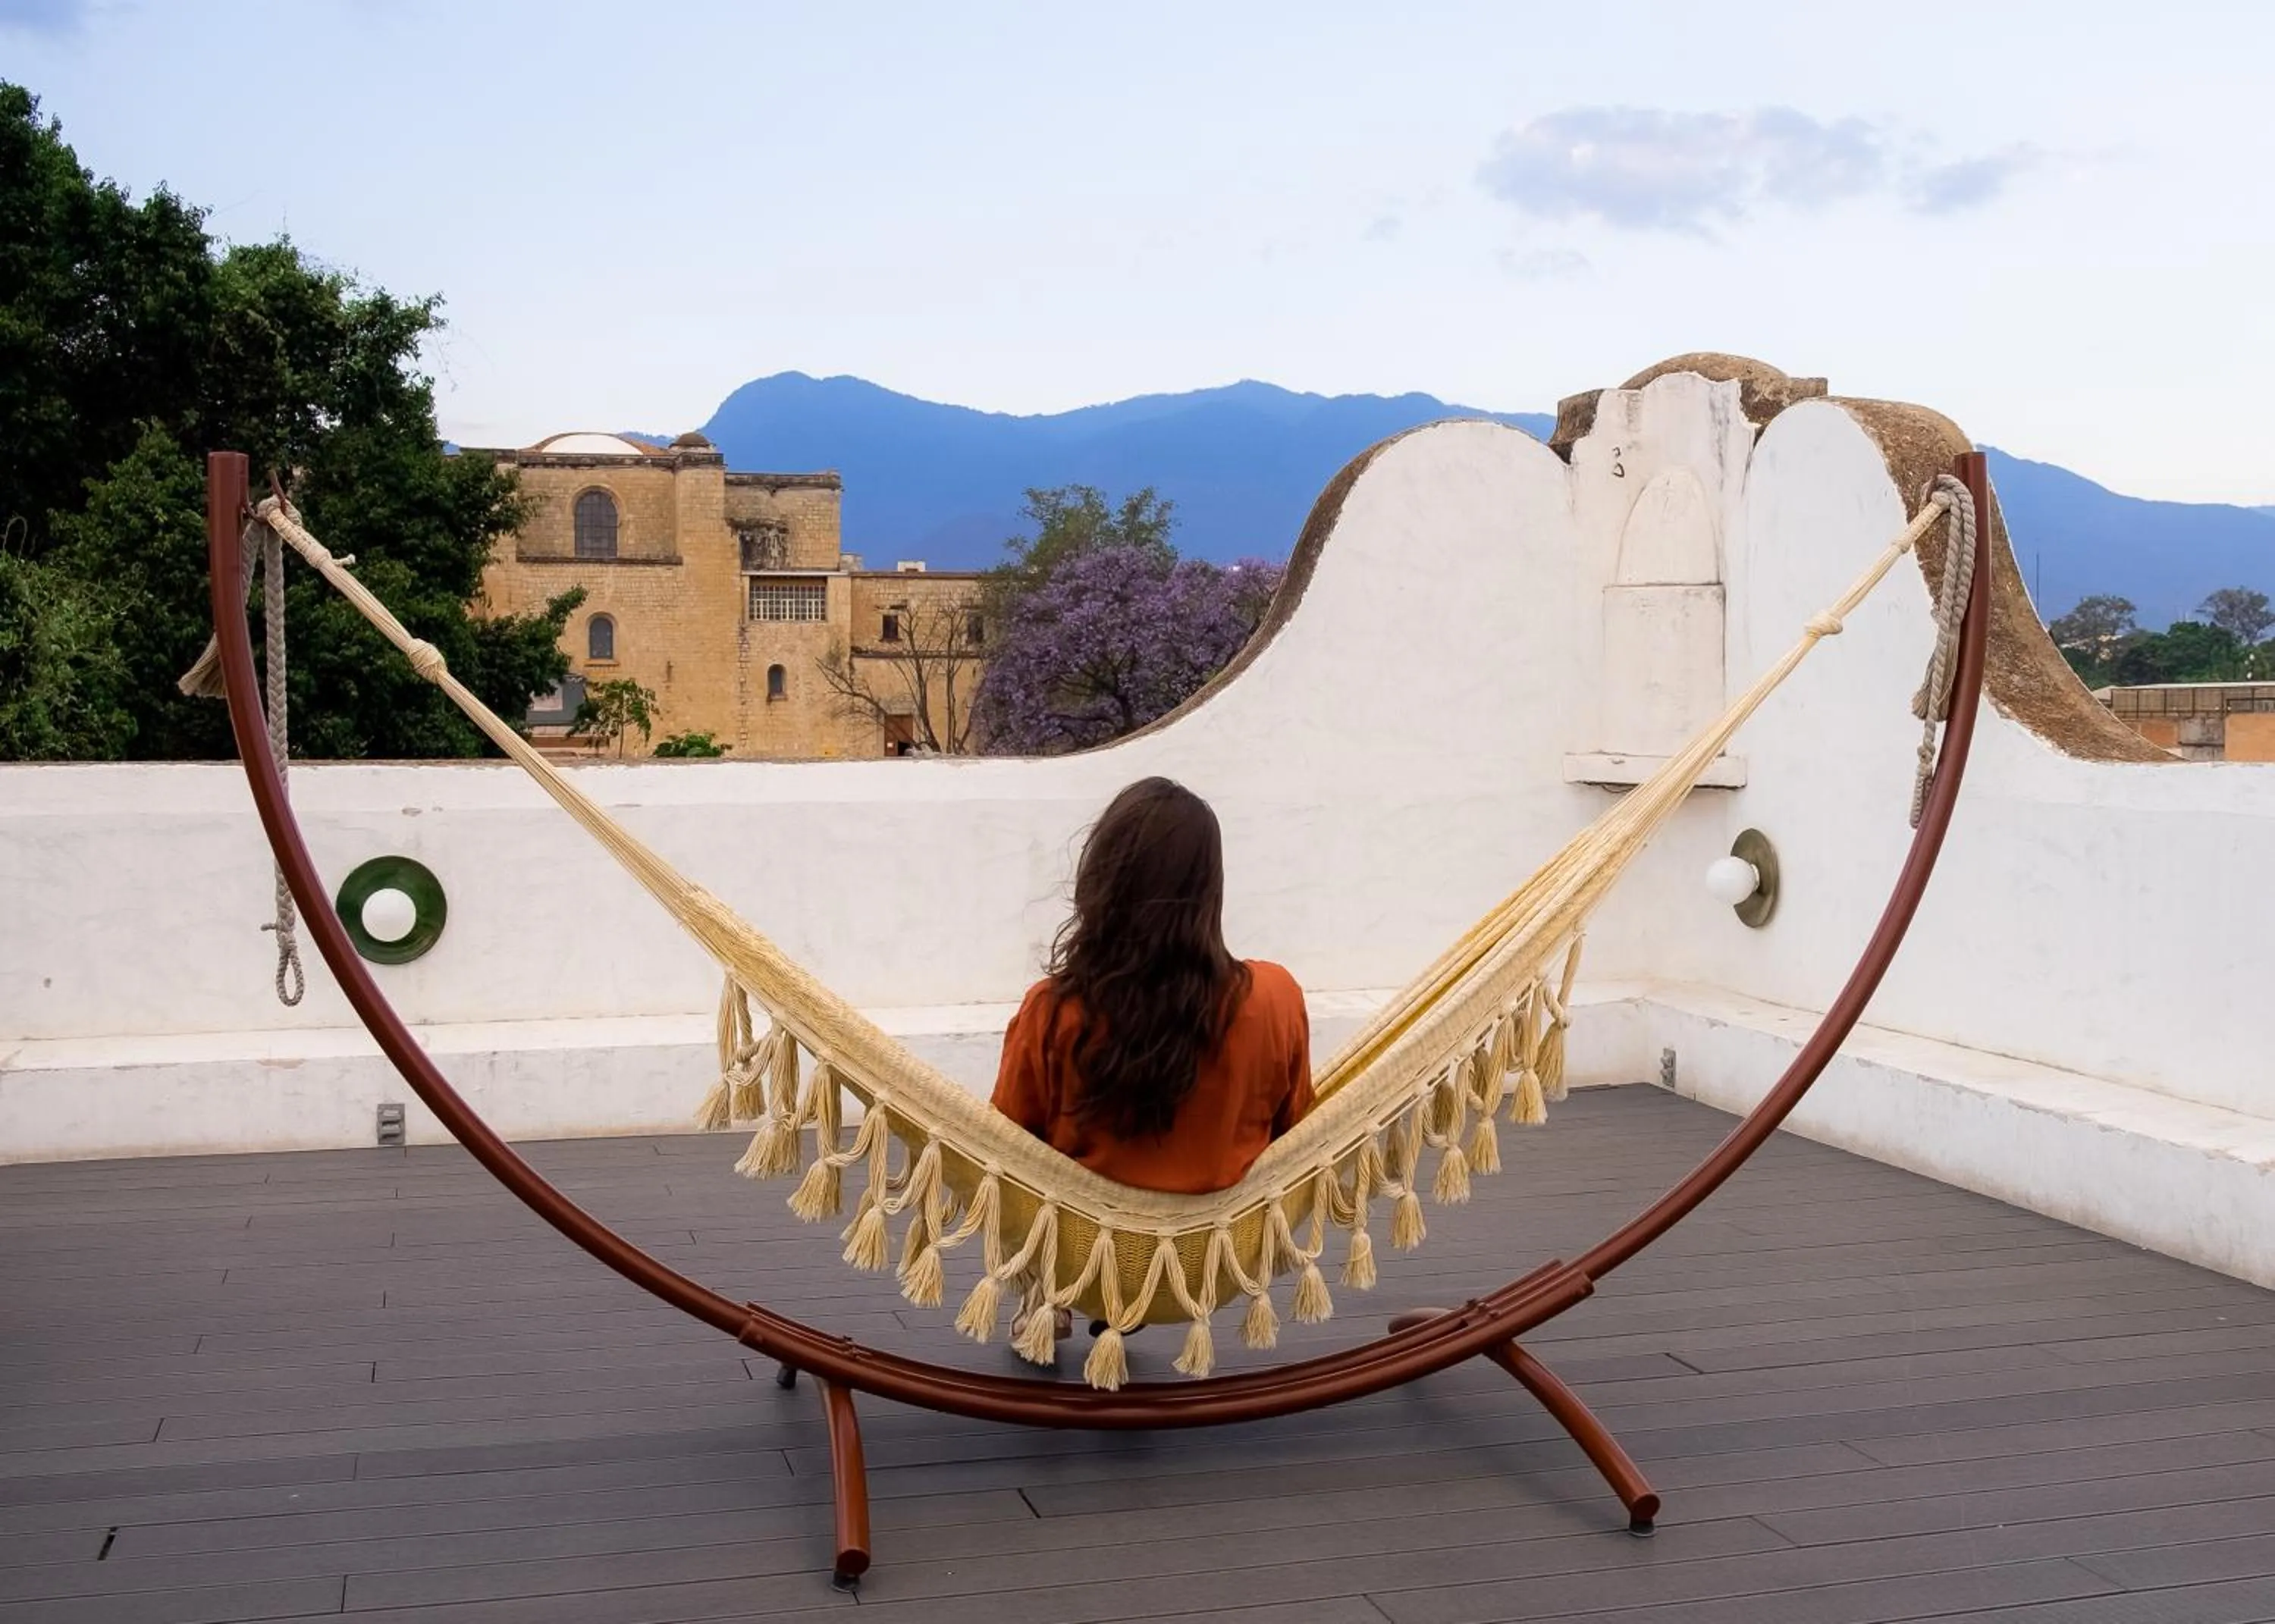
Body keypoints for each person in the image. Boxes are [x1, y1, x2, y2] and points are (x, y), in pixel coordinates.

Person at [990, 777, 1314, 1196]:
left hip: (1087, 1238)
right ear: (1210, 889)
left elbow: (1007, 1154)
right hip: (1224, 1238)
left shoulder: (1051, 1014)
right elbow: (1292, 1131)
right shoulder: (1275, 1001)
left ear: (1101, 882)